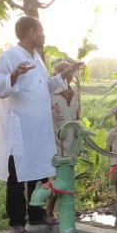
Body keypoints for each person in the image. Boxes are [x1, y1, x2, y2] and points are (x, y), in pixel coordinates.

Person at [0, 16, 82, 233]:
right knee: (17, 177)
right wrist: (14, 75)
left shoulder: (38, 59)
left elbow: (47, 86)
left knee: (39, 172)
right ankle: (16, 221)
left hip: (39, 130)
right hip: (20, 129)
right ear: (31, 32)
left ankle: (36, 214)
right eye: (41, 31)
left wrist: (65, 74)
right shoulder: (9, 57)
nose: (44, 35)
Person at [46, 61, 80, 218]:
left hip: (70, 145)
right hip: (54, 144)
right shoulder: (49, 95)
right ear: (55, 75)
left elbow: (76, 118)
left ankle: (66, 210)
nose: (65, 73)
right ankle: (49, 213)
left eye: (68, 70)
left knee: (68, 178)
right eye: (60, 71)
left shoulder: (75, 93)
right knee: (54, 179)